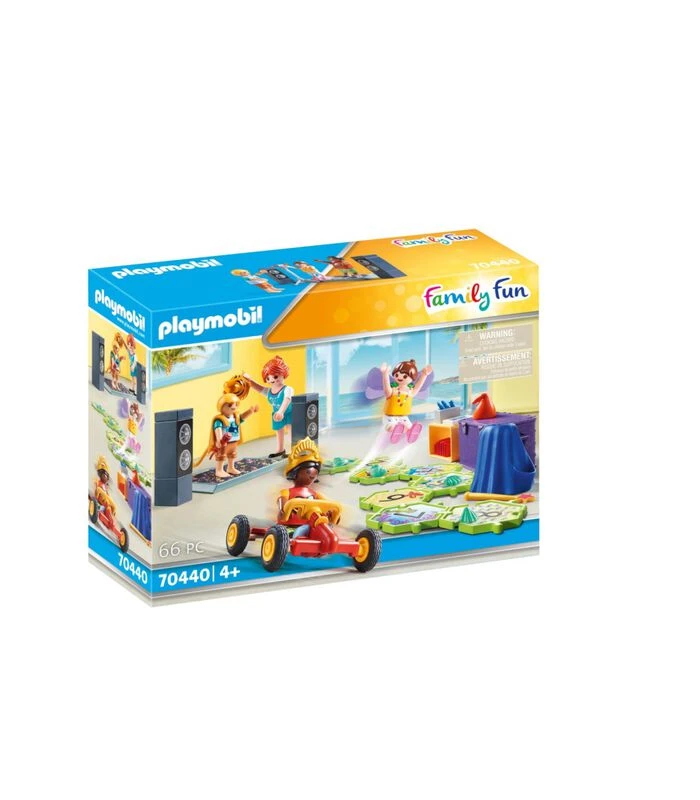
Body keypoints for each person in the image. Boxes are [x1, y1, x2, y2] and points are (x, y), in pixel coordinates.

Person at [194, 392, 258, 478]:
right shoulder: (220, 420)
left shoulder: (235, 417)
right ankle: (219, 470)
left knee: (232, 454)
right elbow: (217, 429)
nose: (233, 407)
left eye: (236, 404)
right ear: (221, 407)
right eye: (230, 405)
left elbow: (242, 417)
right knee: (221, 456)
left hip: (234, 441)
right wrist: (219, 440)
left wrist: (251, 411)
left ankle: (230, 468)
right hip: (224, 442)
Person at [244, 355, 294, 458]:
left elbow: (287, 399)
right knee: (279, 431)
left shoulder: (287, 389)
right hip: (277, 415)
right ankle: (280, 449)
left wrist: (281, 411)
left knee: (291, 432)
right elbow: (258, 387)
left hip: (289, 413)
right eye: (268, 378)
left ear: (283, 373)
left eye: (275, 376)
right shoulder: (269, 391)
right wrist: (249, 380)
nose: (272, 380)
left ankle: (294, 449)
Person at [277, 438, 325, 539]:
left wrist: (331, 512)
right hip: (290, 526)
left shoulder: (315, 494)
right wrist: (282, 509)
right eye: (308, 472)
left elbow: (326, 504)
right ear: (295, 473)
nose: (312, 475)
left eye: (315, 473)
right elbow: (282, 499)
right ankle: (292, 541)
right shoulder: (287, 492)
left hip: (310, 525)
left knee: (324, 529)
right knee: (293, 534)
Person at [380, 359, 433, 443]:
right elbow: (386, 388)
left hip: (403, 417)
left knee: (409, 427)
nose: (400, 377)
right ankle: (396, 432)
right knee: (391, 426)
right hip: (390, 417)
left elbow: (418, 386)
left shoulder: (410, 392)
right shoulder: (392, 390)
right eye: (397, 375)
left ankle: (409, 434)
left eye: (404, 376)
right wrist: (385, 374)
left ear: (412, 378)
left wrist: (424, 374)